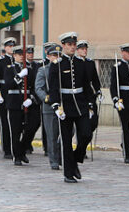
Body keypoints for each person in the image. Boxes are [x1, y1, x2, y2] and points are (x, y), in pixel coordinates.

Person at [48, 32, 93, 183]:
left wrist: (90, 103)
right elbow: (53, 88)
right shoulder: (57, 65)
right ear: (63, 46)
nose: (72, 47)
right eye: (69, 45)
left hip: (80, 104)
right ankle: (68, 173)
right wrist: (56, 106)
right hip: (65, 105)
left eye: (74, 45)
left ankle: (75, 159)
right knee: (66, 141)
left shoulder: (81, 64)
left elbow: (87, 86)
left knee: (86, 134)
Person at [4, 46, 37, 165]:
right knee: (16, 131)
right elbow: (8, 85)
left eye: (23, 54)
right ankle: (17, 156)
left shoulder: (29, 69)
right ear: (14, 56)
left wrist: (31, 98)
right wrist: (19, 76)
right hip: (14, 103)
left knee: (32, 127)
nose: (22, 56)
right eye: (19, 54)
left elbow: (34, 86)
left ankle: (22, 150)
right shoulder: (9, 69)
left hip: (27, 101)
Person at [36, 43, 62, 170]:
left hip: (63, 106)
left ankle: (60, 153)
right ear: (48, 56)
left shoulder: (63, 68)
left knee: (68, 132)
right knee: (51, 135)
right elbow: (38, 88)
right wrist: (46, 98)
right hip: (49, 107)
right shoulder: (43, 70)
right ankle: (54, 160)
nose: (56, 57)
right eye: (53, 55)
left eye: (58, 55)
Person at [77, 40, 102, 148]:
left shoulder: (90, 63)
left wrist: (98, 91)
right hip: (80, 96)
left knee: (93, 122)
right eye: (82, 49)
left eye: (85, 49)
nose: (84, 51)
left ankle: (83, 142)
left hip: (90, 96)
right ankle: (80, 146)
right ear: (78, 50)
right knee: (81, 122)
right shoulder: (75, 63)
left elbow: (95, 79)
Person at [0, 37, 16, 158]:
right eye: (9, 46)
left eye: (13, 46)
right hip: (4, 93)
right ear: (5, 48)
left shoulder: (17, 59)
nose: (11, 49)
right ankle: (7, 149)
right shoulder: (0, 61)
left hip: (15, 94)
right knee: (5, 122)